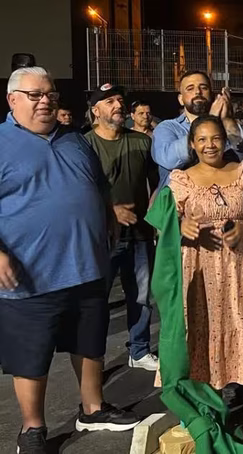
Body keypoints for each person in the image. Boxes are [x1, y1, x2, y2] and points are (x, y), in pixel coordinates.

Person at [0, 66, 140, 454]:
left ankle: (93, 409)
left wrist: (109, 214)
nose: (45, 101)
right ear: (12, 100)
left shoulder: (74, 139)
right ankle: (32, 429)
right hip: (30, 273)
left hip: (86, 266)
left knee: (89, 342)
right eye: (35, 95)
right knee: (32, 355)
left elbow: (98, 185)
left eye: (51, 95)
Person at [167, 115, 243, 436]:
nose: (210, 145)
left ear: (225, 140)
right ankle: (209, 403)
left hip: (242, 265)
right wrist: (181, 225)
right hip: (199, 268)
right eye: (202, 140)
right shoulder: (181, 179)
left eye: (216, 138)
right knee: (205, 328)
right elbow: (163, 220)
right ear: (192, 144)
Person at [84, 83, 159, 372]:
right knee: (96, 300)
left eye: (119, 100)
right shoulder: (85, 145)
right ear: (95, 110)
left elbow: (158, 182)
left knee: (141, 295)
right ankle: (93, 358)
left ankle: (138, 350)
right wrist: (111, 211)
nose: (118, 105)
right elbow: (79, 191)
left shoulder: (142, 142)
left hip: (140, 233)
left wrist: (154, 206)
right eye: (109, 101)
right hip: (101, 237)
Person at [152, 70, 243, 187]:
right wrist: (211, 119)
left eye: (203, 88)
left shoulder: (226, 127)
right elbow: (169, 160)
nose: (198, 92)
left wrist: (228, 121)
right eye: (190, 88)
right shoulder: (167, 128)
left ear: (212, 95)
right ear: (180, 99)